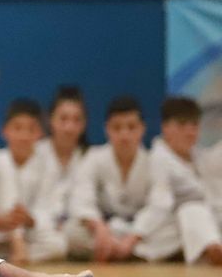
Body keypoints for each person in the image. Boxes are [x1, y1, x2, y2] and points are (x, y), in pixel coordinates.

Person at [66, 95, 175, 261]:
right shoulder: (94, 157)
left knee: (174, 229)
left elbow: (160, 205)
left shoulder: (155, 161)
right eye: (117, 128)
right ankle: (129, 252)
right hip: (106, 229)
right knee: (72, 232)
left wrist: (132, 238)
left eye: (131, 127)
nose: (124, 135)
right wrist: (99, 227)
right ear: (107, 129)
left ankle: (122, 250)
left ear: (142, 129)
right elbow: (81, 198)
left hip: (139, 232)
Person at [0, 97, 66, 262]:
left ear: (39, 133)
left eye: (31, 129)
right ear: (5, 130)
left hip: (30, 238)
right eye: (17, 128)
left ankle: (9, 257)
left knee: (59, 245)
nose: (24, 136)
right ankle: (14, 247)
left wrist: (30, 218)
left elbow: (52, 209)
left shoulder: (48, 165)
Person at [147, 96, 222, 265]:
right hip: (167, 227)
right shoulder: (158, 159)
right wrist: (134, 236)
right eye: (181, 125)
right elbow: (159, 205)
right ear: (165, 127)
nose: (190, 132)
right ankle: (213, 249)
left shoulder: (200, 157)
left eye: (194, 125)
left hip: (207, 224)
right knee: (191, 209)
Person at [38, 86, 90, 257]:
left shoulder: (90, 157)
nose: (69, 127)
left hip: (73, 229)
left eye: (76, 120)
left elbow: (88, 205)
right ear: (50, 120)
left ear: (84, 124)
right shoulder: (36, 154)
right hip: (40, 228)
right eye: (63, 119)